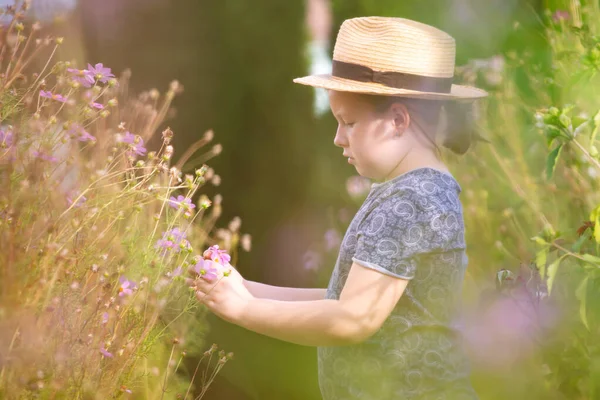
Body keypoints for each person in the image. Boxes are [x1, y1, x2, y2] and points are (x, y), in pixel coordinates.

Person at [188, 16, 488, 400]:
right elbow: (342, 299)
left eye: (348, 122)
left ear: (397, 120)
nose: (337, 138)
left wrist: (244, 311)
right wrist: (247, 290)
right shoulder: (409, 191)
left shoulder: (412, 201)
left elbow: (352, 318)